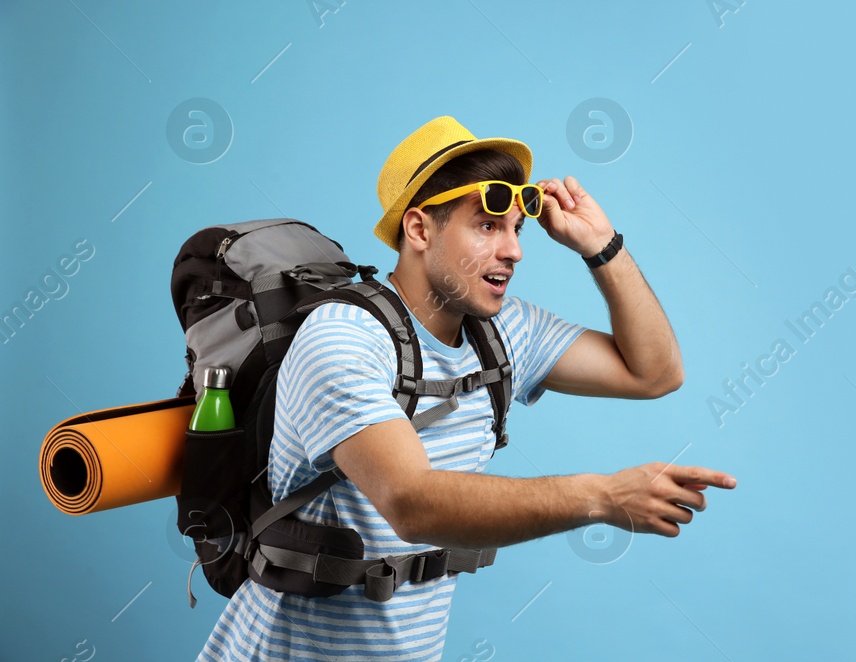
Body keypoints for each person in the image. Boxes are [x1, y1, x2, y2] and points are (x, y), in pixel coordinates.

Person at [198, 116, 737, 661]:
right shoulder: (343, 336)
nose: (514, 251)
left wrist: (602, 247)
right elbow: (412, 503)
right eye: (487, 226)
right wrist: (601, 496)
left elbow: (656, 373)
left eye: (517, 230)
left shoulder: (505, 333)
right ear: (419, 230)